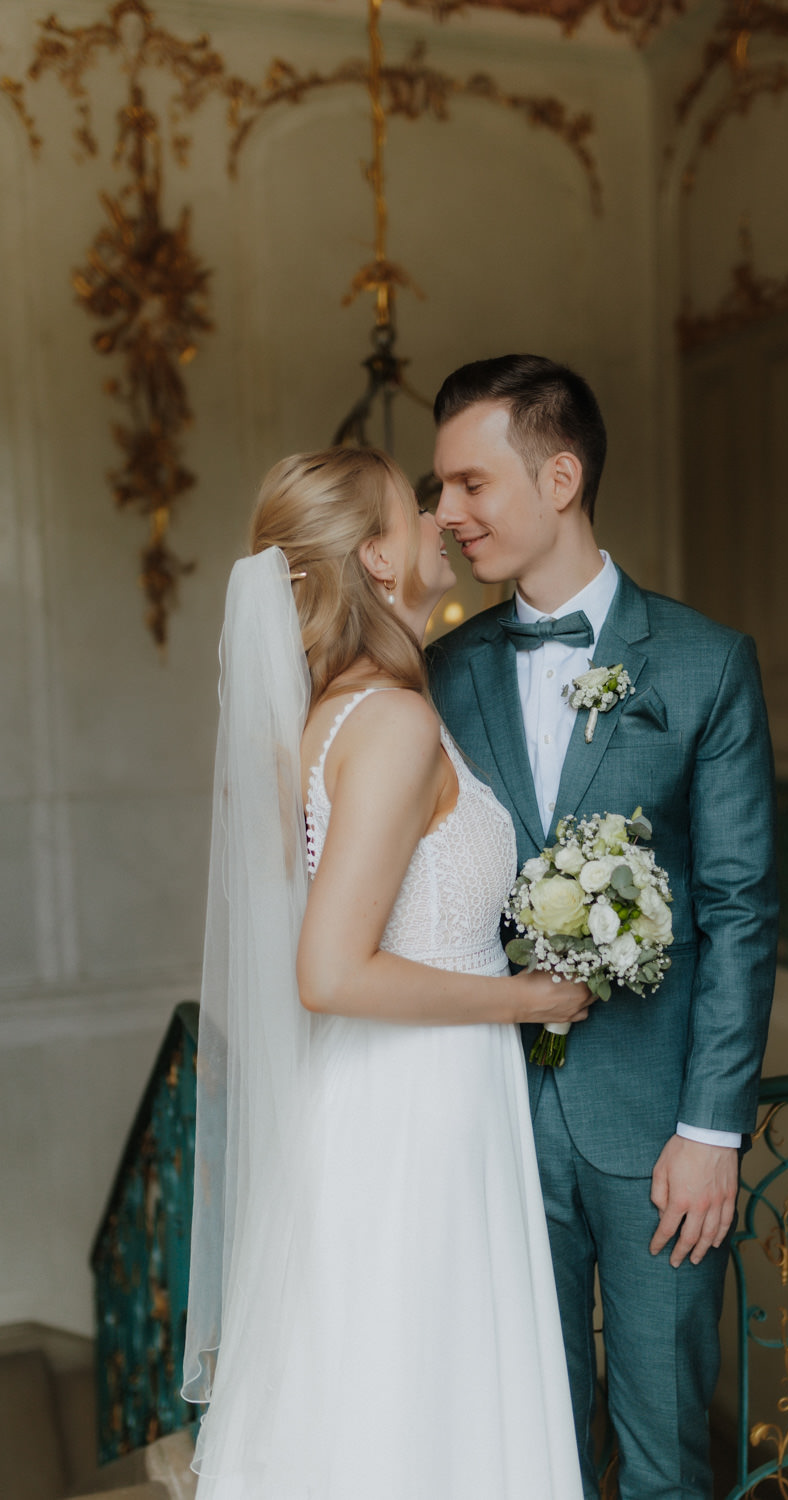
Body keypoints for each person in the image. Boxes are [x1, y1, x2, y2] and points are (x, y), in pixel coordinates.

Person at [182, 446, 592, 1500]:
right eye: (417, 510)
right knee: (425, 1407)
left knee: (384, 1398)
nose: (440, 522)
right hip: (419, 1107)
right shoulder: (396, 725)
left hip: (382, 1095)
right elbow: (329, 969)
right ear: (376, 556)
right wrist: (529, 996)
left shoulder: (333, 715)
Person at [426, 356, 779, 1500]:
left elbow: (738, 906)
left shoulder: (704, 663)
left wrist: (711, 1131)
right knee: (518, 1444)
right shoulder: (440, 672)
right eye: (439, 490)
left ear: (561, 475)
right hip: (485, 1121)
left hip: (653, 1136)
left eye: (469, 484)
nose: (447, 515)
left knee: (668, 1448)